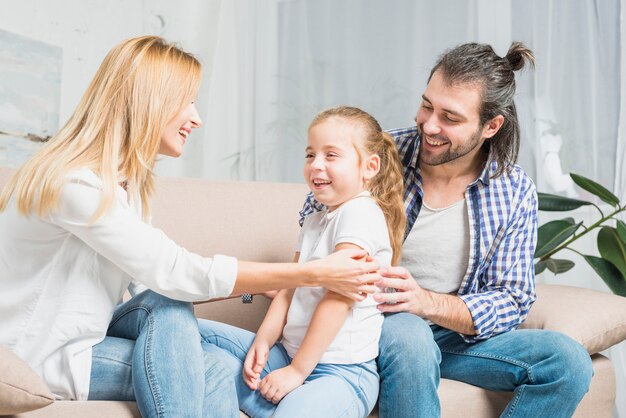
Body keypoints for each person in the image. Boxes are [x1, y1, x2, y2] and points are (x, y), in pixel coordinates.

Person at [0, 36, 379, 418]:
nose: (196, 118)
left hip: (81, 344)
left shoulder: (123, 188)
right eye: (188, 101)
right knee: (191, 337)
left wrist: (254, 288)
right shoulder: (76, 185)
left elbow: (149, 286)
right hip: (35, 356)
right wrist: (308, 274)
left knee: (199, 344)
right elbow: (172, 274)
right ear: (150, 101)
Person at [301, 43, 594, 417]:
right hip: (372, 323)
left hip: (449, 334)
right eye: (427, 106)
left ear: (491, 126)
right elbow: (313, 221)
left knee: (566, 362)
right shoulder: (376, 154)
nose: (429, 125)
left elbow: (513, 298)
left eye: (450, 118)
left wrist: (427, 302)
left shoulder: (513, 189)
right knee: (411, 334)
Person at [199, 106, 406, 418]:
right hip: (287, 356)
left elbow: (337, 300)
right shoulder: (314, 219)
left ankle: (281, 399)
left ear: (369, 167)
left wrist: (296, 372)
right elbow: (288, 288)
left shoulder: (360, 213)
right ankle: (267, 395)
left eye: (331, 155)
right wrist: (264, 341)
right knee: (189, 332)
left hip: (341, 373)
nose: (316, 165)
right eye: (310, 155)